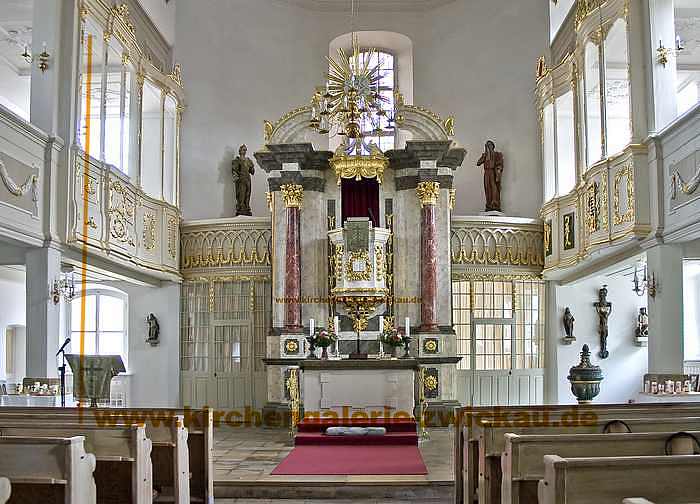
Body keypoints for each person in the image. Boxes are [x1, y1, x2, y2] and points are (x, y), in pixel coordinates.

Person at [476, 140, 504, 212]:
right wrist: (485, 154)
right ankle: (489, 204)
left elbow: (500, 163)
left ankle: (495, 203)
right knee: (487, 187)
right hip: (486, 172)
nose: (488, 147)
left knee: (494, 187)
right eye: (487, 145)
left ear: (493, 146)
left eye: (490, 145)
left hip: (493, 172)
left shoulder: (497, 154)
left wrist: (498, 172)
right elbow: (478, 163)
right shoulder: (485, 155)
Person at [232, 144, 255, 216]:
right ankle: (241, 207)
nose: (244, 151)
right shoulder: (237, 160)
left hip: (248, 179)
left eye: (245, 150)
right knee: (241, 194)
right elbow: (234, 171)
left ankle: (247, 207)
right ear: (240, 151)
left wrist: (252, 167)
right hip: (241, 179)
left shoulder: (248, 160)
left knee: (248, 194)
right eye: (243, 150)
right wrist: (236, 177)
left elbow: (252, 172)